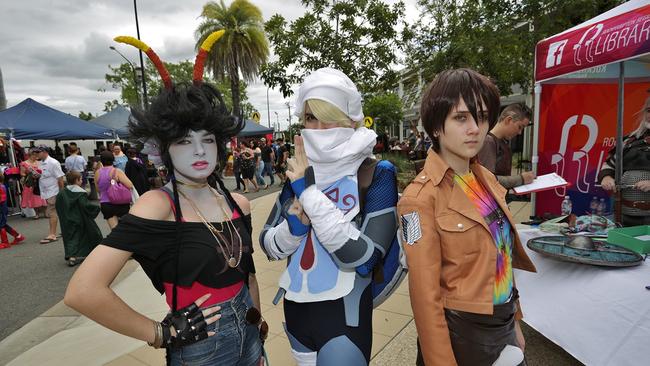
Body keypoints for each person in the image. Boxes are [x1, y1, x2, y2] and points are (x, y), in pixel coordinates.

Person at [65, 32, 264, 366]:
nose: (200, 150)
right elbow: (83, 291)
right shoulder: (158, 205)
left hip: (251, 335)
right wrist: (159, 333)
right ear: (165, 148)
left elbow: (249, 276)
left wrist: (256, 326)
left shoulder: (236, 204)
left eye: (208, 139)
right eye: (184, 141)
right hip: (203, 349)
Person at [260, 67, 399, 365]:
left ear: (352, 120)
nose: (320, 128)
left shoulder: (375, 173)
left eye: (330, 117)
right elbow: (268, 245)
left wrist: (310, 196)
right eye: (311, 117)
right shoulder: (298, 172)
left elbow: (363, 261)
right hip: (296, 313)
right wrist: (294, 228)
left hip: (344, 317)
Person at [397, 68, 537, 366]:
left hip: (502, 322)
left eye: (482, 117)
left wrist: (515, 323)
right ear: (436, 126)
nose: (475, 128)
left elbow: (502, 256)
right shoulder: (417, 200)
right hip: (462, 335)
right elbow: (424, 297)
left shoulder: (486, 178)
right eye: (461, 118)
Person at [599, 95, 650, 226]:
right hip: (624, 216)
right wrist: (607, 177)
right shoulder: (628, 141)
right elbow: (609, 165)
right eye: (649, 110)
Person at [477, 102, 536, 189]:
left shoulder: (501, 142)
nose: (520, 133)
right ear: (508, 120)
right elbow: (487, 180)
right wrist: (521, 179)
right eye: (520, 127)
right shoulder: (488, 142)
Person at [55, 171, 102, 266]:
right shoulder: (80, 193)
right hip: (80, 219)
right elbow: (85, 205)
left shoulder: (62, 193)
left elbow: (58, 206)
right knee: (90, 234)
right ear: (77, 180)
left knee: (71, 237)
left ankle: (72, 256)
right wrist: (97, 207)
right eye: (80, 179)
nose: (81, 181)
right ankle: (95, 252)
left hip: (67, 220)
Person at [96, 151, 134, 230]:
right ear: (113, 160)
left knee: (115, 230)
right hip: (120, 203)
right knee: (125, 229)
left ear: (101, 160)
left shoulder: (97, 173)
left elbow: (98, 189)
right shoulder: (117, 171)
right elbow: (130, 185)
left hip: (105, 204)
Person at [37, 145, 65, 244]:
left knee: (52, 212)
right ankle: (62, 231)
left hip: (53, 191)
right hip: (47, 191)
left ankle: (52, 234)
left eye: (38, 152)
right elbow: (45, 176)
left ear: (45, 152)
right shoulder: (41, 162)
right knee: (56, 212)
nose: (37, 154)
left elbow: (60, 178)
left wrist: (62, 193)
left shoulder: (53, 162)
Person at [20, 148, 47, 219]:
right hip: (31, 183)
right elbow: (22, 173)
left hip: (40, 182)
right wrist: (28, 173)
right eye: (34, 155)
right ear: (30, 155)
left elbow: (44, 171)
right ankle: (37, 213)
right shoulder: (24, 163)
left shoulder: (39, 162)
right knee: (33, 198)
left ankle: (45, 213)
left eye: (37, 155)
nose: (36, 157)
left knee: (42, 198)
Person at [0, 173, 26, 249]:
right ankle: (18, 236)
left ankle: (5, 242)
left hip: (1, 209)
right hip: (2, 208)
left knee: (1, 225)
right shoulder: (2, 186)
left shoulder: (1, 187)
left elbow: (1, 199)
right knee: (3, 224)